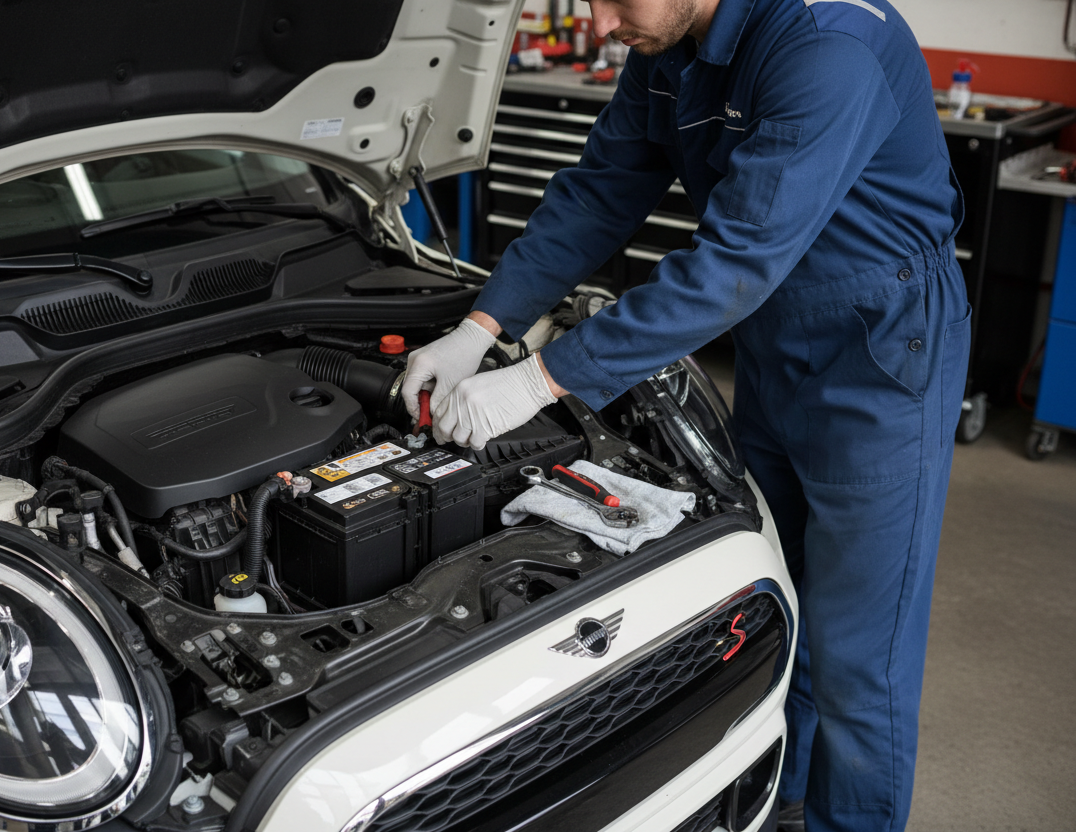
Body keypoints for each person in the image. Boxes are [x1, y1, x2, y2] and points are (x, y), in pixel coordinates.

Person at [400, 0, 970, 830]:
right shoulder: (668, 43)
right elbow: (600, 191)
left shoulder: (828, 45)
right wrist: (482, 326)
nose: (599, 24)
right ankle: (787, 803)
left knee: (861, 655)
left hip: (883, 349)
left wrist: (537, 381)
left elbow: (736, 260)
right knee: (779, 582)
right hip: (776, 339)